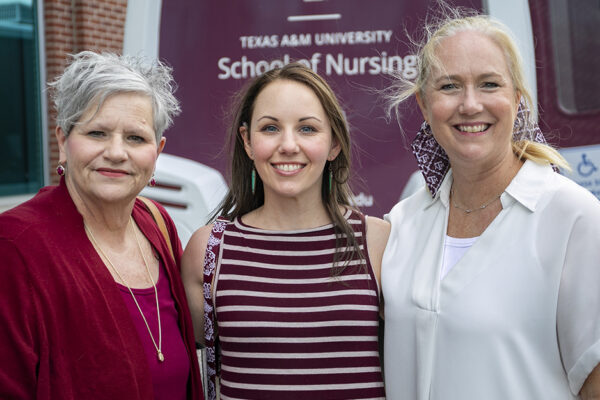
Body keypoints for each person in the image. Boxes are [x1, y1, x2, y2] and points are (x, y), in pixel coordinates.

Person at [382, 6, 600, 400]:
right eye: (449, 86)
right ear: (423, 105)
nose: (469, 104)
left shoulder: (573, 219)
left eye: (488, 84)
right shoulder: (405, 223)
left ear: (517, 99)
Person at [0, 51, 203, 399]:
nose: (116, 152)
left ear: (158, 150)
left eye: (136, 138)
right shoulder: (14, 246)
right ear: (64, 142)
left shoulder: (157, 223)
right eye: (97, 133)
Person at [182, 62, 389, 400]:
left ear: (334, 143)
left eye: (307, 129)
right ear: (247, 142)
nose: (289, 145)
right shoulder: (208, 250)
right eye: (270, 129)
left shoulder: (378, 243)